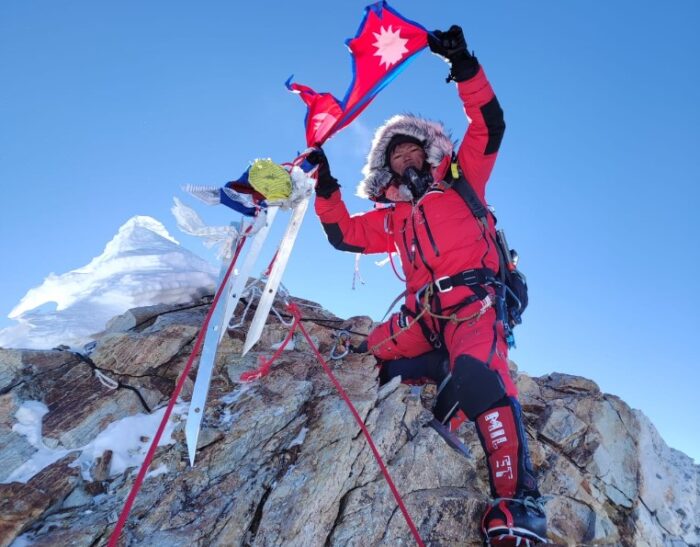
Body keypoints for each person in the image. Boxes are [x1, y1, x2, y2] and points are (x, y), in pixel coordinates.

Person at [308, 25, 547, 546]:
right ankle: (443, 377)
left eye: (411, 150)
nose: (404, 159)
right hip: (424, 316)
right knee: (375, 354)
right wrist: (325, 187)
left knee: (480, 376)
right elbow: (343, 235)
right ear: (385, 169)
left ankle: (518, 505)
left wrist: (463, 64)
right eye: (394, 157)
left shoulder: (461, 184)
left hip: (476, 301)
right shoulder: (394, 219)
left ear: (429, 151)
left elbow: (489, 123)